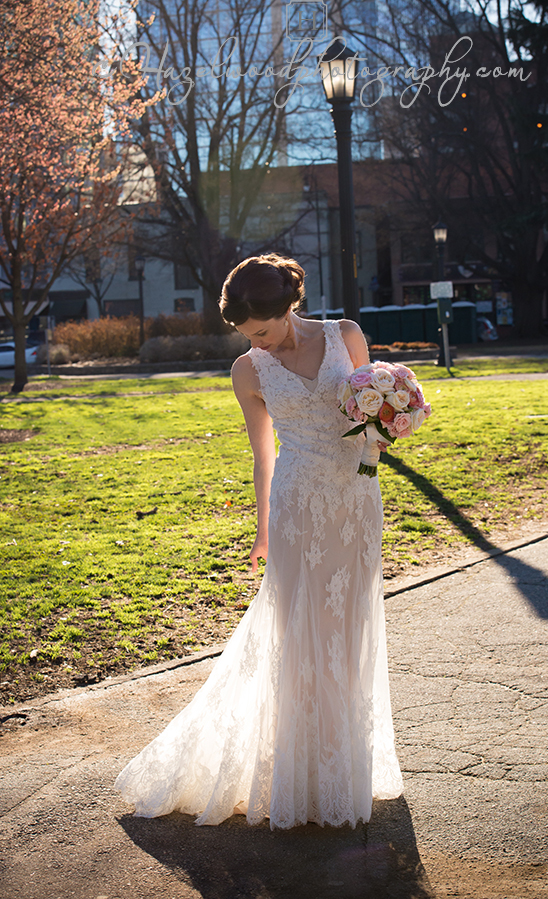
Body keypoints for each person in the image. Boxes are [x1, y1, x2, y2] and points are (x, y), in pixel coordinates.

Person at [115, 254, 403, 829]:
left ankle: (343, 767)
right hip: (296, 506)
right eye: (248, 337)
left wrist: (392, 424)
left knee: (348, 626)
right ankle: (300, 773)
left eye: (264, 332)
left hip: (354, 501)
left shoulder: (345, 336)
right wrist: (263, 530)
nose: (259, 345)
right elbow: (262, 455)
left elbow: (372, 416)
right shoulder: (248, 371)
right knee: (298, 632)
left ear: (289, 308)